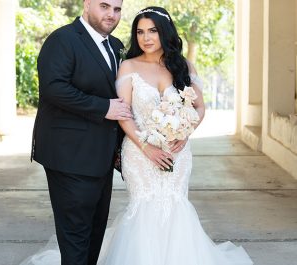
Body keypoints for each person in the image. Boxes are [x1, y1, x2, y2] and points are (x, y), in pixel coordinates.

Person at [23, 6, 254, 265]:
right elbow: (110, 108)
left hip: (162, 155)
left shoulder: (141, 54)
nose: (146, 37)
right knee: (91, 228)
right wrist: (144, 144)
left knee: (106, 226)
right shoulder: (81, 47)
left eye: (152, 31)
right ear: (87, 3)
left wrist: (185, 132)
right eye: (140, 31)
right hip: (112, 153)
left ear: (164, 32)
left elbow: (198, 107)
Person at [29, 0, 131, 264]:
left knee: (95, 234)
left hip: (102, 158)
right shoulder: (62, 40)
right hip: (68, 156)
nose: (111, 14)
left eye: (117, 9)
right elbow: (54, 88)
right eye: (104, 6)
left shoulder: (117, 46)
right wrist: (103, 107)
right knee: (75, 238)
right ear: (87, 4)